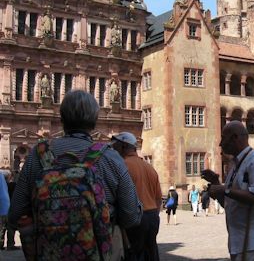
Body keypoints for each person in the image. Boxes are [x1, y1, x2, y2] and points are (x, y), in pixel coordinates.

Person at [8, 90, 142, 260]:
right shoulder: (110, 157)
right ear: (95, 121)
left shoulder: (38, 155)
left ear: (62, 119)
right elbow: (132, 217)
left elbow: (15, 214)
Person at [202, 121, 254, 261]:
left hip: (253, 239)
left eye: (223, 138)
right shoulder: (236, 165)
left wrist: (224, 190)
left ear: (235, 138)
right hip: (239, 240)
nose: (220, 143)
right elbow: (230, 203)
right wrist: (216, 184)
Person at [112, 132, 162, 261]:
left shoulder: (123, 165)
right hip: (152, 217)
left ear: (123, 147)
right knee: (151, 253)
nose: (113, 149)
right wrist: (154, 214)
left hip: (135, 218)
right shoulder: (149, 167)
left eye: (115, 147)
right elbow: (158, 198)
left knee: (134, 254)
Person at [0, 171, 17, 251]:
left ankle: (1, 244)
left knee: (2, 227)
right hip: (8, 207)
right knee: (10, 227)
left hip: (3, 207)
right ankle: (10, 244)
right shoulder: (11, 185)